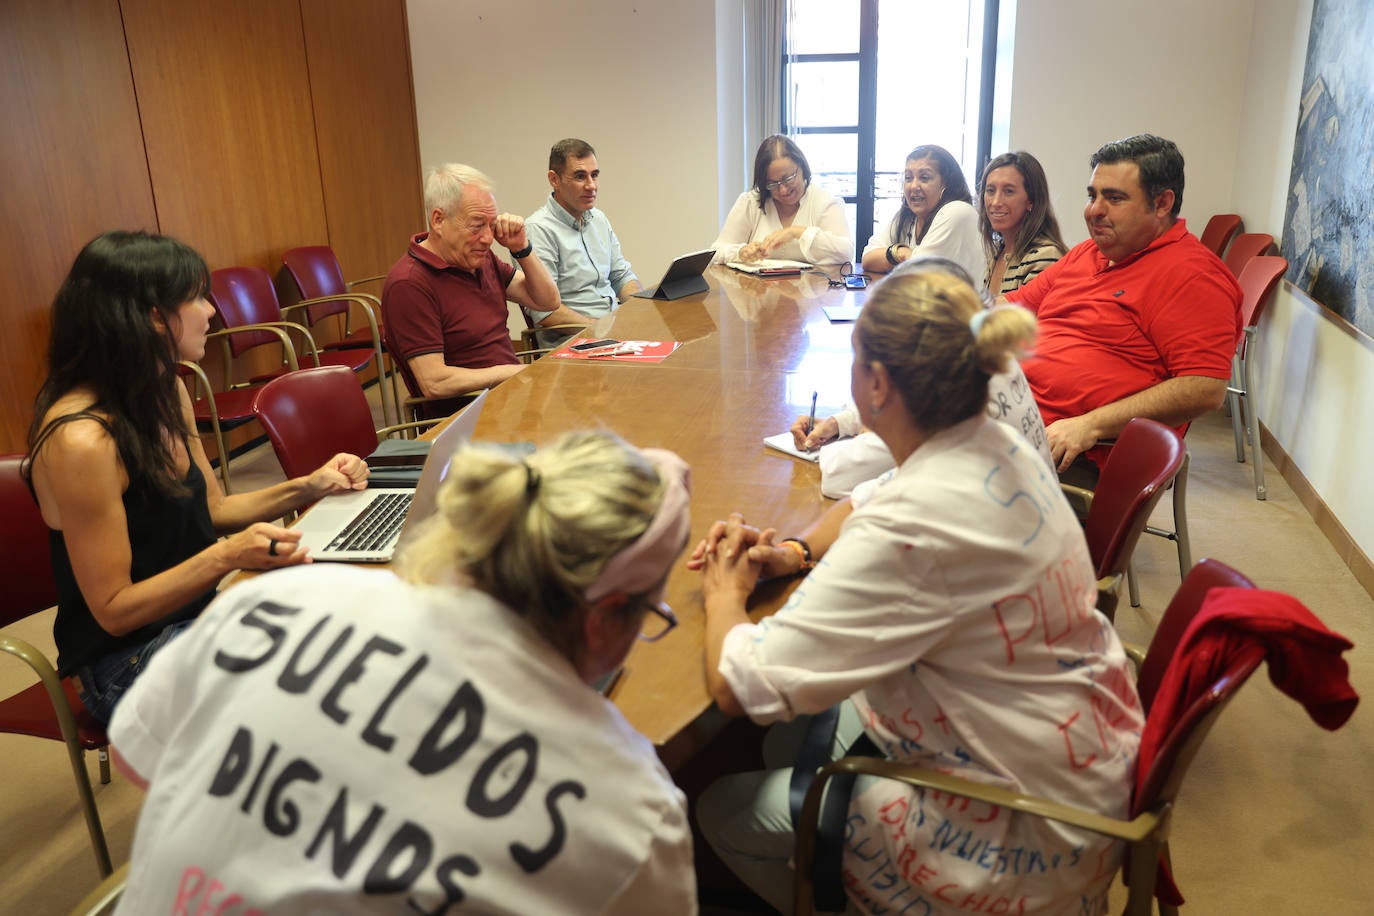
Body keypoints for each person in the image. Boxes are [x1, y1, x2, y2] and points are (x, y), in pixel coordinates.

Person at [691, 264, 1142, 915]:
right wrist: (794, 552)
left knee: (720, 805)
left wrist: (725, 593)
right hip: (1077, 763)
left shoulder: (916, 528)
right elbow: (873, 496)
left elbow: (740, 685)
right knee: (795, 736)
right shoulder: (990, 442)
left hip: (1019, 834)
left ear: (875, 383)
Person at [107, 431, 698, 914]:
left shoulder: (268, 603)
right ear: (606, 618)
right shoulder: (631, 814)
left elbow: (147, 765)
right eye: (650, 614)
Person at [23, 230, 369, 726]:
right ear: (150, 316)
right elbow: (114, 610)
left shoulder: (166, 391)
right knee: (319, 677)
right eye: (197, 298)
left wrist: (311, 485)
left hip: (195, 618)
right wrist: (227, 555)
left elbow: (214, 510)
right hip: (123, 662)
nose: (212, 311)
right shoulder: (82, 440)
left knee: (344, 625)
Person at [1003, 134, 1242, 484]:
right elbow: (1011, 306)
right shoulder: (1089, 253)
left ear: (1162, 203)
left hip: (1075, 451)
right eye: (1092, 195)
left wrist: (1090, 425)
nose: (1093, 210)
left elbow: (1204, 387)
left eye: (1113, 198)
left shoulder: (1192, 276)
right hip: (1012, 414)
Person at [790, 257, 1053, 497]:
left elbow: (839, 478)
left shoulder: (942, 394)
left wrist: (858, 434)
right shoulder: (987, 353)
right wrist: (842, 422)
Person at [381, 163, 579, 405]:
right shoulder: (409, 284)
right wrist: (515, 372)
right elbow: (435, 382)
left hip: (512, 397)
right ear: (438, 220)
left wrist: (521, 248)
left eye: (491, 225)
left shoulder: (480, 259)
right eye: (476, 226)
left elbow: (547, 301)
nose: (488, 239)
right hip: (466, 417)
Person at [525, 138, 639, 346]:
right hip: (573, 344)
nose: (591, 186)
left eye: (594, 175)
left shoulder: (599, 219)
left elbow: (622, 276)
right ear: (554, 179)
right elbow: (546, 312)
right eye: (580, 177)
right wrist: (601, 329)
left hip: (612, 336)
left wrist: (640, 312)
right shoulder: (538, 229)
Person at [711, 134, 852, 266]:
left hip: (811, 291)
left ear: (802, 167)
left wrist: (796, 232)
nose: (783, 190)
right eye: (772, 184)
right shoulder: (751, 202)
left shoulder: (824, 201)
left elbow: (846, 252)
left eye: (788, 179)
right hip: (758, 290)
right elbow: (716, 251)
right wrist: (740, 252)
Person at [860, 144, 983, 281]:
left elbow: (917, 271)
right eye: (908, 178)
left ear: (946, 183)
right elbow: (868, 258)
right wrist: (900, 252)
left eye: (924, 178)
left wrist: (896, 258)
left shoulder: (958, 211)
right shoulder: (907, 216)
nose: (913, 186)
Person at [979, 150, 1068, 295]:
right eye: (990, 190)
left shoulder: (1044, 255)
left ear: (1031, 200)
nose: (995, 202)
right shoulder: (998, 252)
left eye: (1008, 191)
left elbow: (1026, 317)